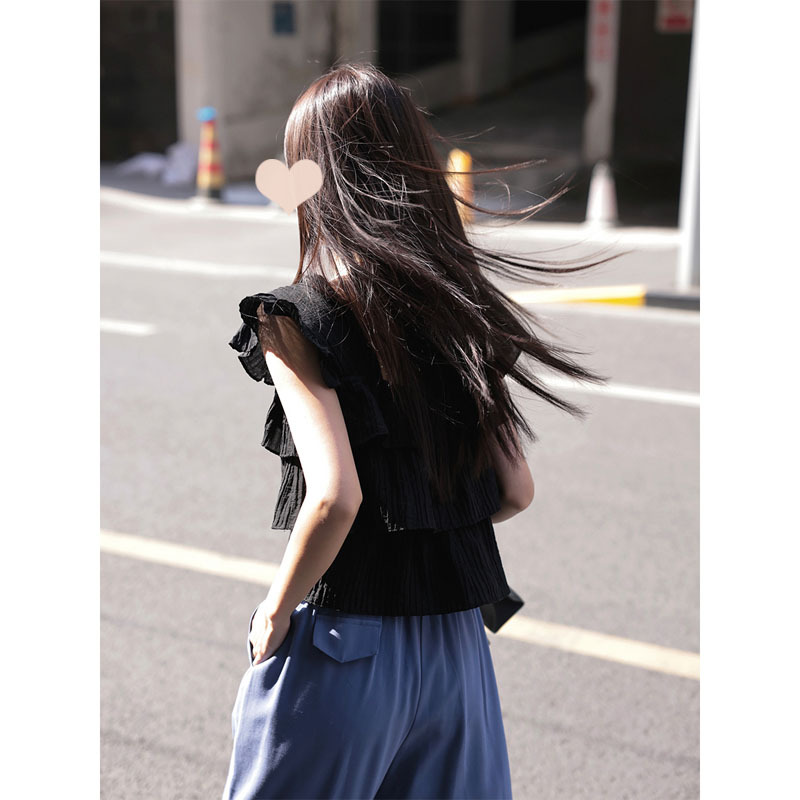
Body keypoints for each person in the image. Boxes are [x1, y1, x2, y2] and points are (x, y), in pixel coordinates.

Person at [222, 62, 614, 800]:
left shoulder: (295, 316)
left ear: (317, 177)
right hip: (457, 651)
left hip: (347, 647)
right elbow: (516, 490)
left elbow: (335, 497)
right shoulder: (458, 307)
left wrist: (273, 613)